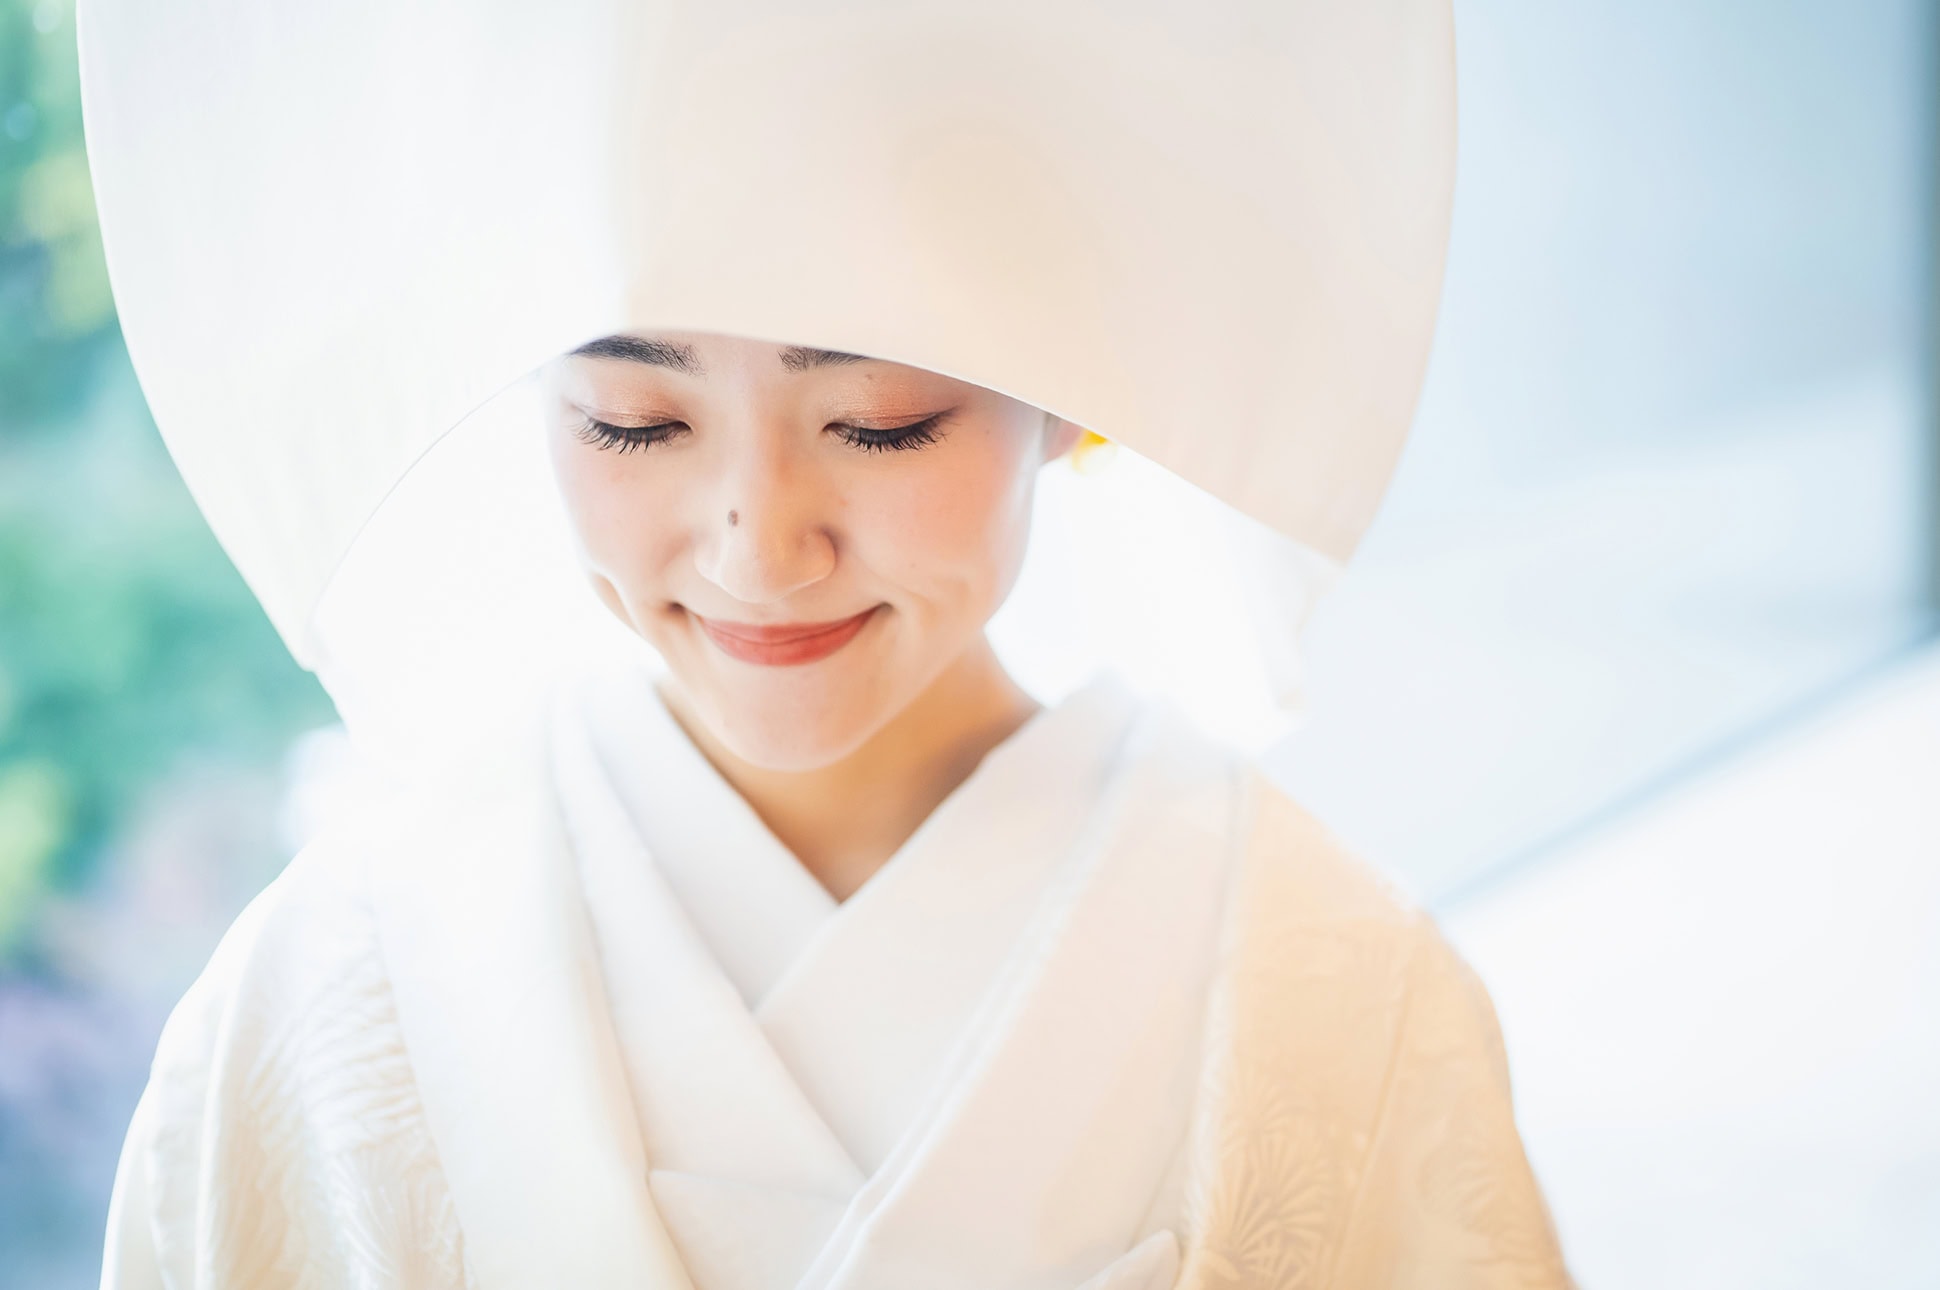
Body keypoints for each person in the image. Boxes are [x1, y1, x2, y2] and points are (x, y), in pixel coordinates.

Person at [79, 1, 1574, 1287]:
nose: (759, 550)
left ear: (1072, 398)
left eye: (880, 420)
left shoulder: (1330, 989)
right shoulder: (325, 995)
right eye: (635, 422)